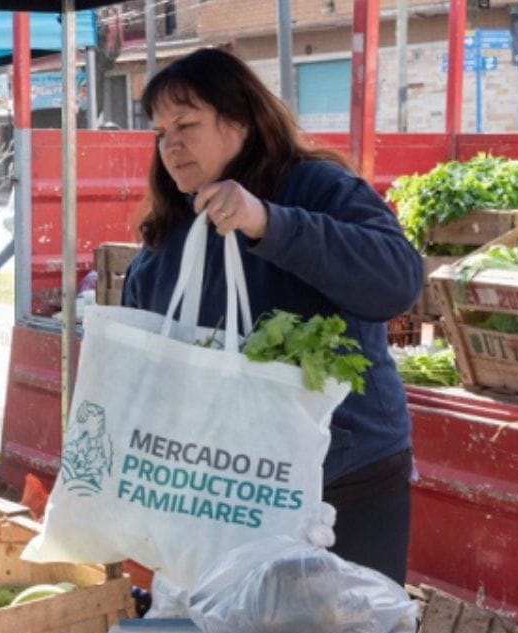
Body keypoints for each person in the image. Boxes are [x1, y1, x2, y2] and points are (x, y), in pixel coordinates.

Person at [122, 48, 423, 584]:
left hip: (346, 474)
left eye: (186, 123)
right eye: (160, 131)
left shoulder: (317, 186)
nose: (170, 144)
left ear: (240, 120)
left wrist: (267, 222)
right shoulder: (172, 233)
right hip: (229, 485)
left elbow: (396, 281)